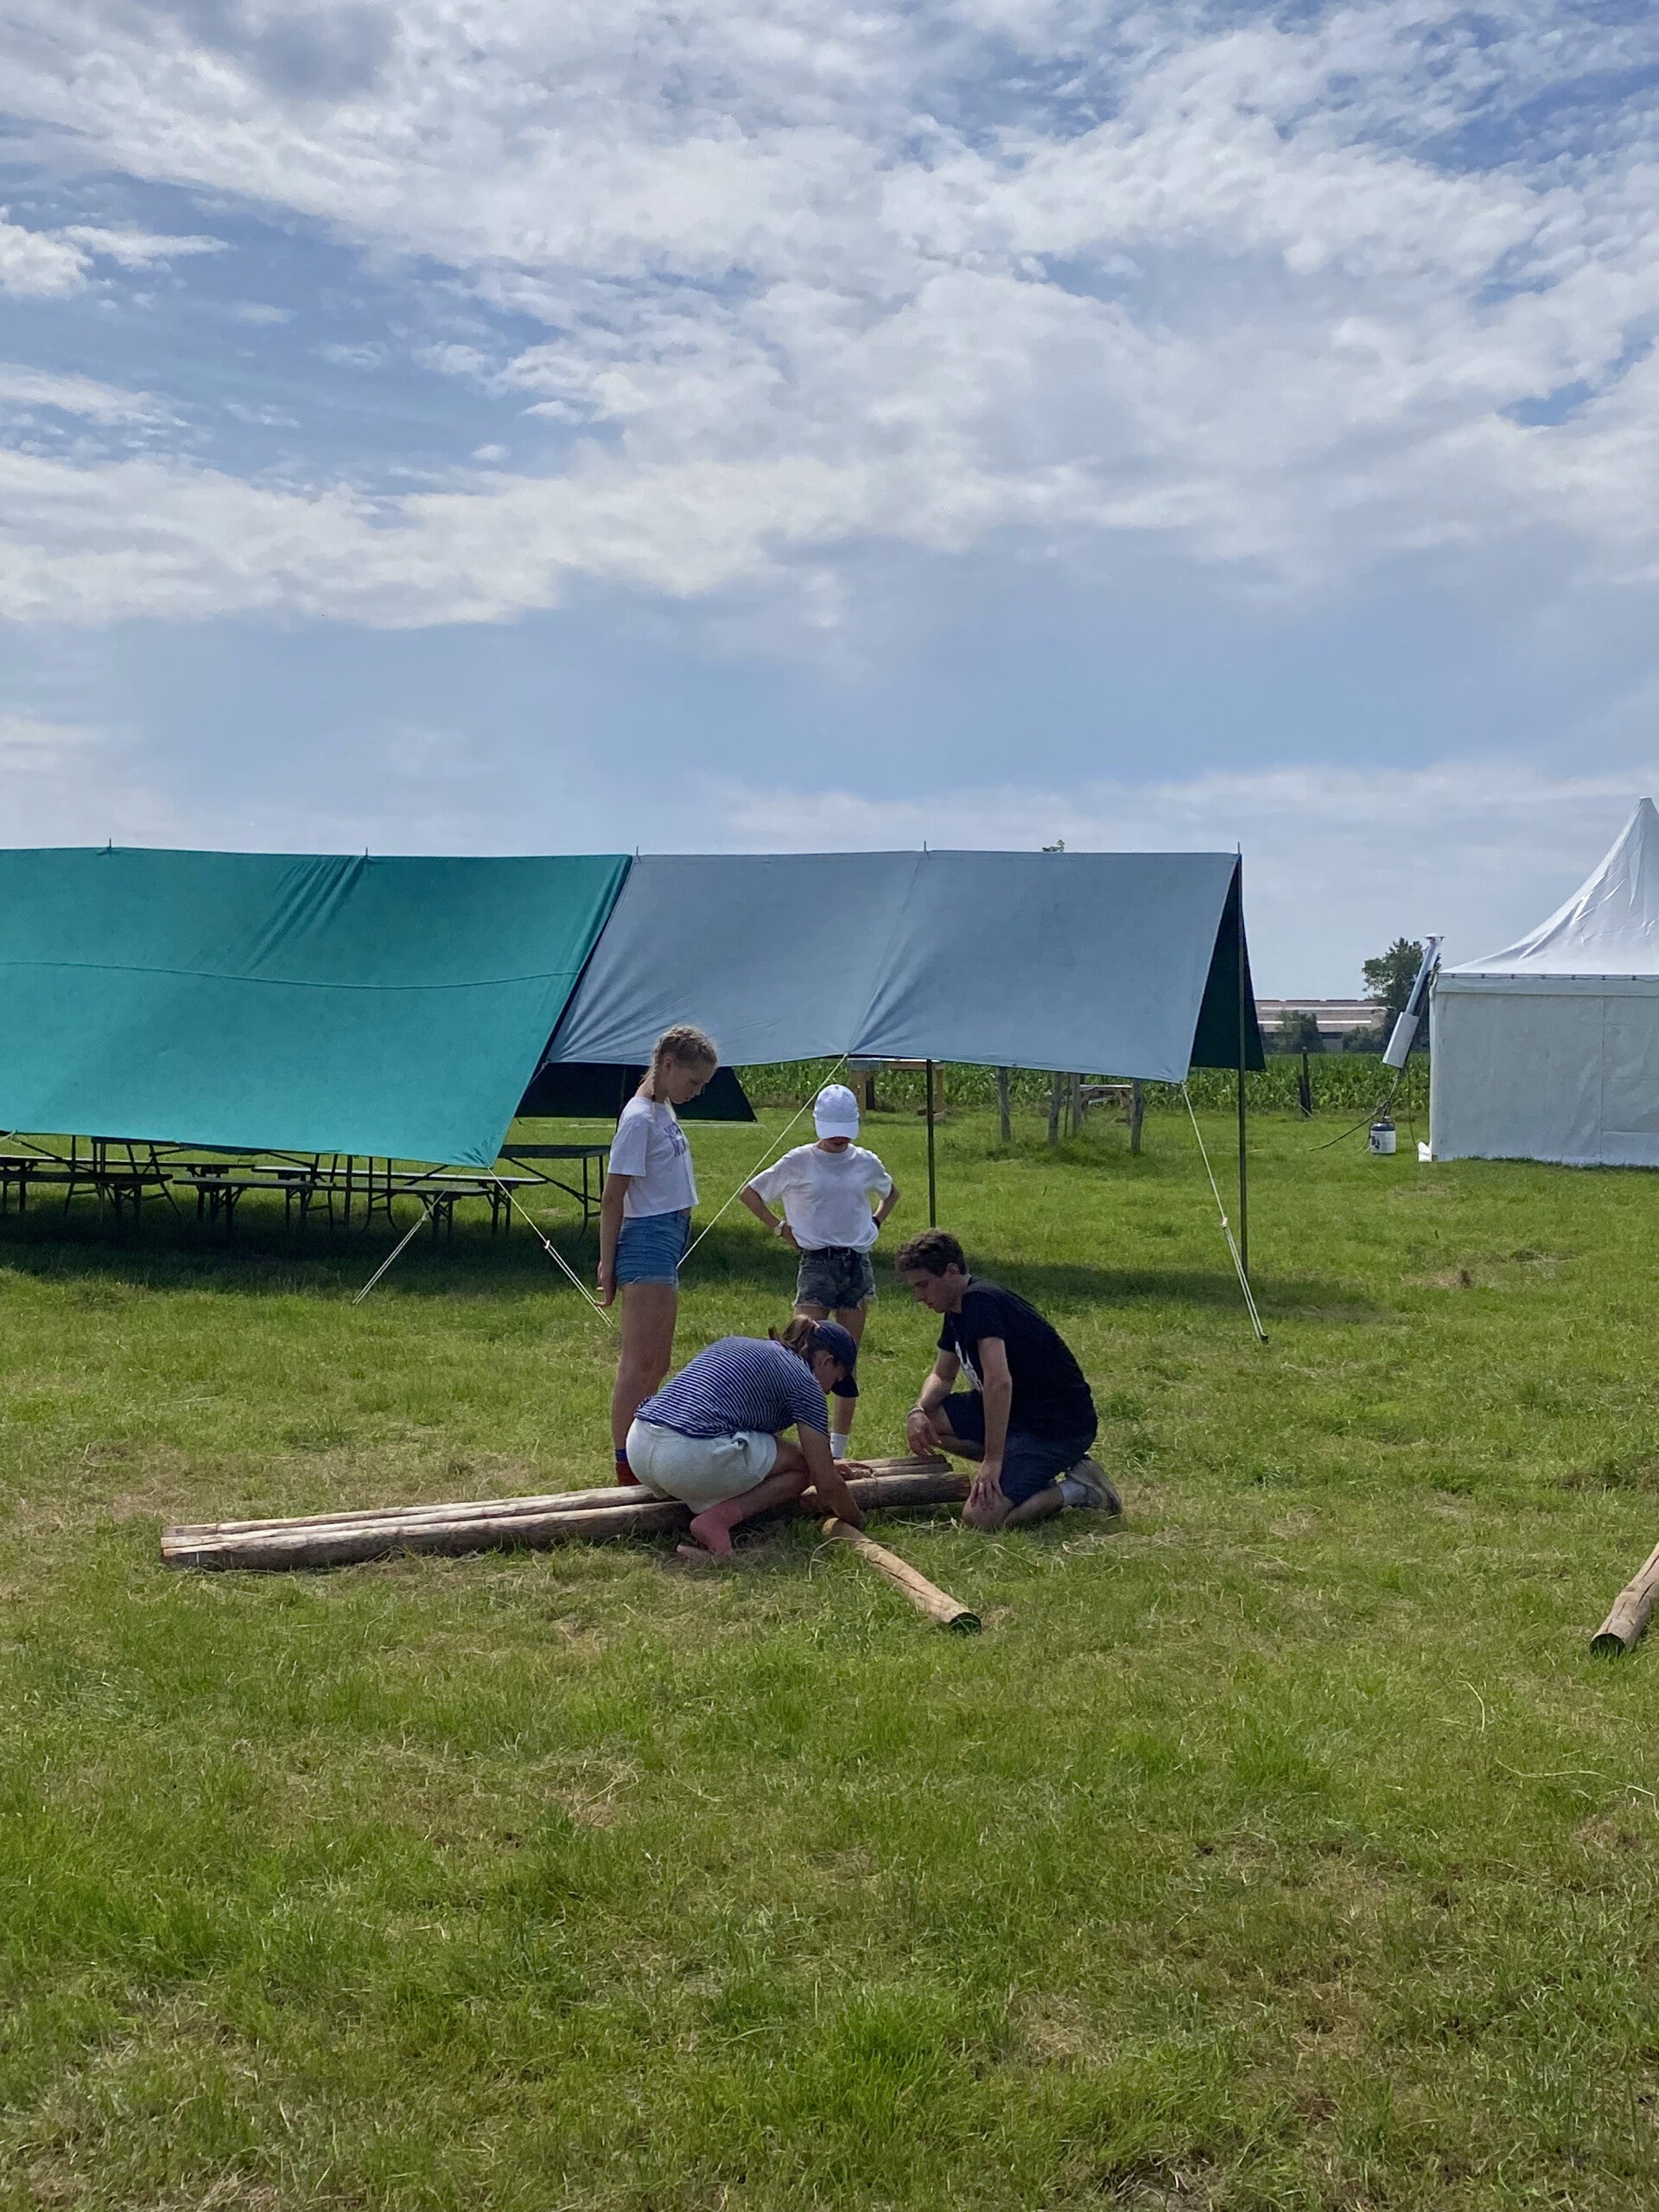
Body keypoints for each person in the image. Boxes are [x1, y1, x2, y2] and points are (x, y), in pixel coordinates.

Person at [893, 1228, 1120, 1530]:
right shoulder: (955, 1309)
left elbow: (999, 1381)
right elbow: (942, 1375)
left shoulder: (980, 1301)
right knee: (929, 1422)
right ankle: (1025, 1473)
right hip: (1016, 1414)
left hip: (1054, 1426)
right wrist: (918, 1410)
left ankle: (1081, 1489)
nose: (919, 1297)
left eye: (923, 1285)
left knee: (980, 1519)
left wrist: (993, 1460)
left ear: (951, 1272)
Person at [737, 1082, 898, 1459]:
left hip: (855, 1264)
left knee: (846, 1360)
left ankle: (837, 1451)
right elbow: (750, 1193)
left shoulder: (865, 1161)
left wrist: (875, 1222)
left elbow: (891, 1192)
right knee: (799, 1354)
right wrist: (780, 1228)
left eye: (845, 1131)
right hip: (816, 1263)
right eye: (833, 1131)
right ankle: (784, 1440)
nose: (840, 1139)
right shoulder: (799, 1161)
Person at [628, 1317, 868, 1560]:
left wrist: (826, 1465)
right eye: (835, 1380)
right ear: (827, 1361)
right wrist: (857, 1520)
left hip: (640, 1443)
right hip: (687, 1457)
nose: (827, 1392)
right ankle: (716, 1522)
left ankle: (694, 1496)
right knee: (803, 1467)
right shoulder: (805, 1383)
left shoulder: (737, 1344)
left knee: (797, 1459)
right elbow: (826, 1484)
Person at [599, 1024, 720, 1485]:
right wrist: (608, 1263)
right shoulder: (638, 1120)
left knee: (659, 1360)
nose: (697, 1092)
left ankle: (643, 1448)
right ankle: (625, 1463)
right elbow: (613, 1197)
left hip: (668, 1236)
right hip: (647, 1237)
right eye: (694, 1082)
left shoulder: (659, 1104)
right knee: (639, 1362)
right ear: (668, 1065)